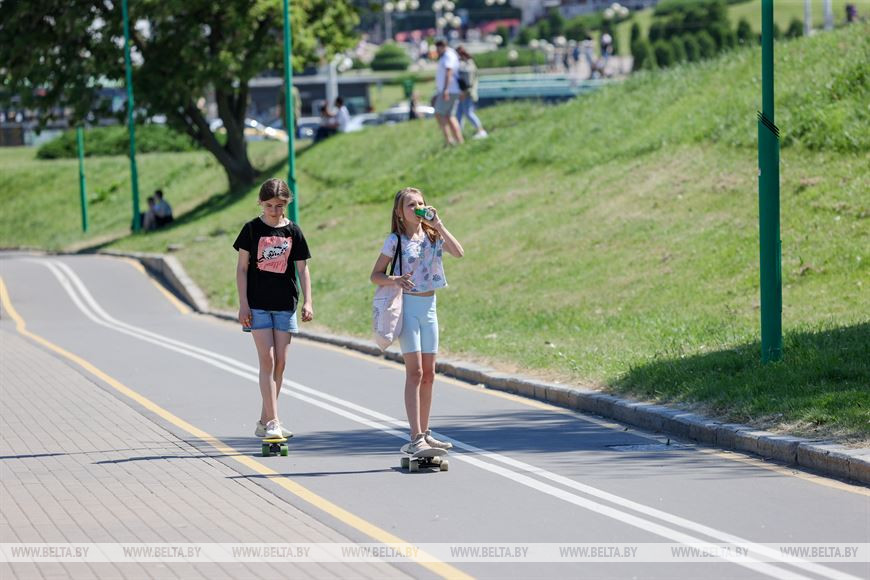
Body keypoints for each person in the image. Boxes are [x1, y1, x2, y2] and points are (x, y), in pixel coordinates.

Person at [369, 187, 464, 455]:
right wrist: (395, 280)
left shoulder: (432, 235)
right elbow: (375, 275)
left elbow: (459, 252)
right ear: (400, 213)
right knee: (416, 373)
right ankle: (415, 437)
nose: (417, 208)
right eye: (411, 205)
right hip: (408, 307)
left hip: (429, 308)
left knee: (430, 374)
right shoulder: (395, 241)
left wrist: (439, 224)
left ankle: (426, 432)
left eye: (420, 203)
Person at [233, 178, 313, 440]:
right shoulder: (251, 230)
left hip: (285, 304)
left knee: (281, 363)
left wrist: (308, 301)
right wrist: (243, 304)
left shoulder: (293, 231)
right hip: (257, 305)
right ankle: (274, 422)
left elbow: (303, 269)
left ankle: (265, 420)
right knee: (266, 360)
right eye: (269, 205)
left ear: (287, 204)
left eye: (279, 206)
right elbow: (242, 269)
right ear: (260, 203)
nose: (274, 211)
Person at [433, 38, 464, 146]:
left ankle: (449, 140)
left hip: (449, 90)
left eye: (438, 48)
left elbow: (448, 73)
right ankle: (459, 141)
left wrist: (445, 89)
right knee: (449, 116)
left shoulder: (448, 56)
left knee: (439, 113)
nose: (437, 51)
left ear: (442, 47)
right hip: (451, 90)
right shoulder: (450, 54)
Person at [456, 46, 488, 139]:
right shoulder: (464, 63)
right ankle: (458, 135)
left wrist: (464, 92)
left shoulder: (469, 64)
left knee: (468, 113)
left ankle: (481, 131)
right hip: (462, 93)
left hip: (467, 93)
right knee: (459, 114)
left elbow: (469, 83)